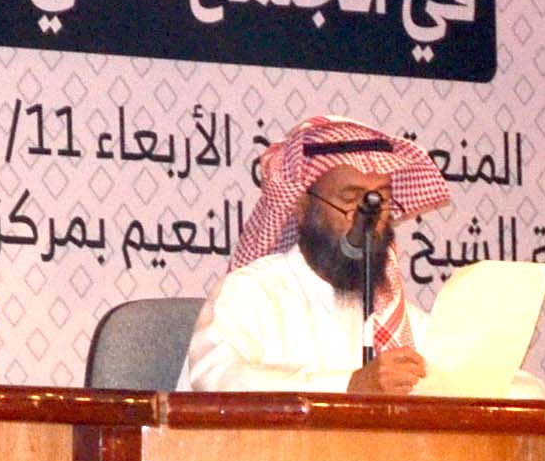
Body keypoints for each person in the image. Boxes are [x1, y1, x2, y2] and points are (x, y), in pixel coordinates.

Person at [178, 117, 454, 394]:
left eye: (379, 200)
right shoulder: (252, 293)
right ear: (302, 208)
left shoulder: (401, 323)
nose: (367, 220)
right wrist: (349, 386)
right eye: (349, 200)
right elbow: (218, 379)